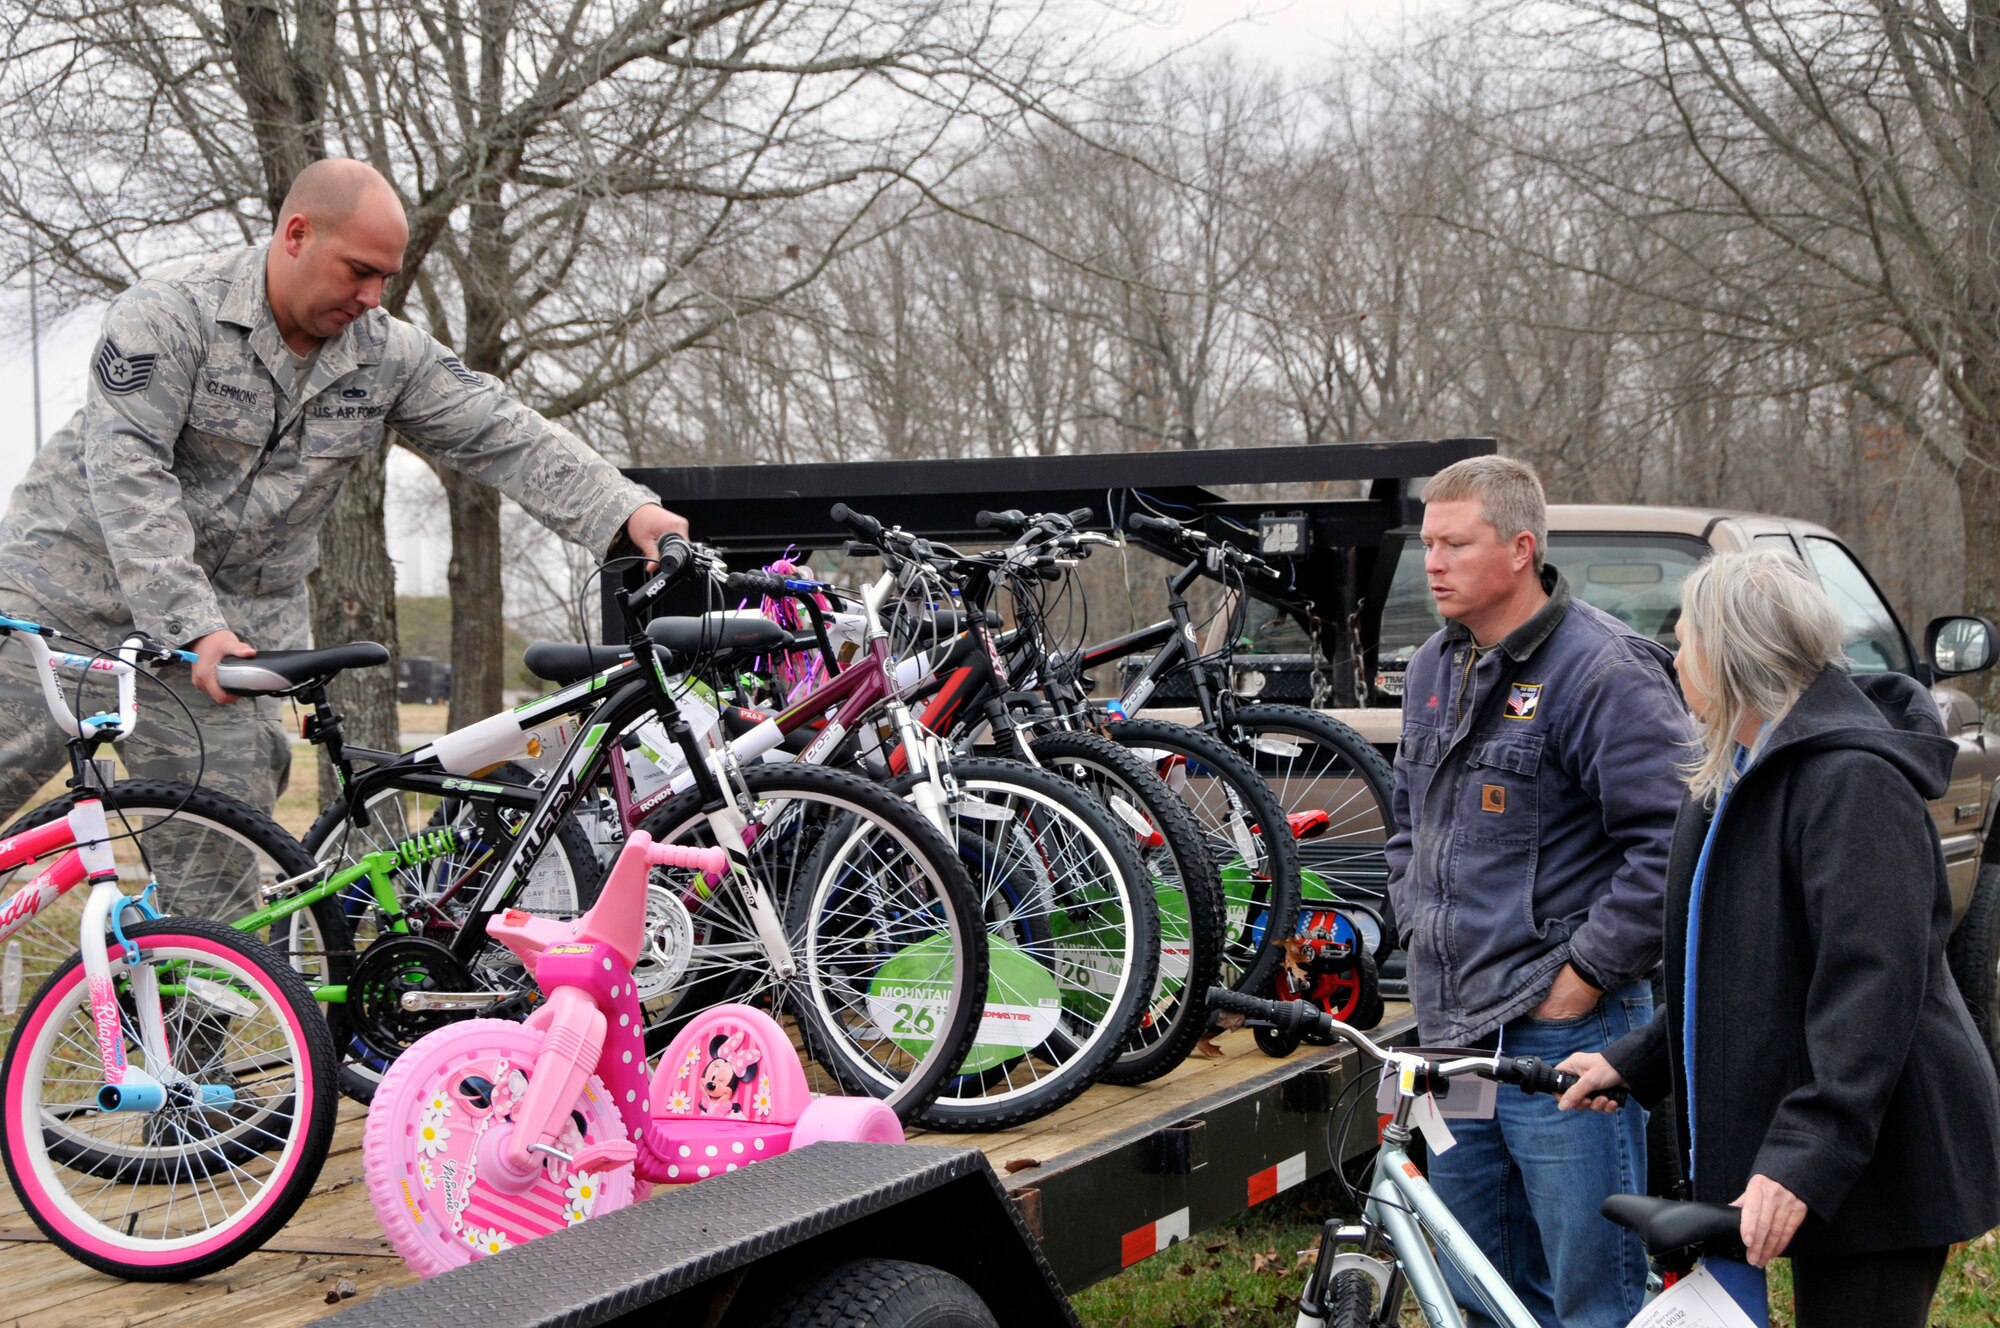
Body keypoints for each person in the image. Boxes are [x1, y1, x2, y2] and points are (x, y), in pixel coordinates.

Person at [0, 158, 684, 917]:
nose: (371, 298)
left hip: (235, 636)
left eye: (385, 279)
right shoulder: (168, 315)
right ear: (296, 234)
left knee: (222, 871)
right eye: (358, 271)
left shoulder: (383, 354)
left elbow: (501, 430)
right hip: (65, 595)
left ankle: (189, 1028)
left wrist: (626, 511)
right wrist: (191, 622)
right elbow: (128, 473)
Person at [1558, 550, 2000, 1328]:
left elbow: (1871, 991)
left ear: (1732, 652)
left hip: (1885, 1157)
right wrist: (1634, 1061)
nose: (1673, 658)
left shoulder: (1851, 783)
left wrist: (1802, 1156)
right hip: (1821, 1140)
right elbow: (1732, 967)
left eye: (1685, 638)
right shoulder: (1733, 774)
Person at [1383, 454, 1691, 1328]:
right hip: (1456, 1036)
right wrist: (1414, 919)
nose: (1432, 564)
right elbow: (1408, 819)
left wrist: (1582, 978)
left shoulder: (1604, 672)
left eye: (1455, 544)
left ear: (1520, 549)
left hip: (1567, 1035)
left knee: (1596, 1298)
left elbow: (1670, 843)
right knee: (1481, 1293)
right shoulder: (1430, 671)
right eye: (1428, 544)